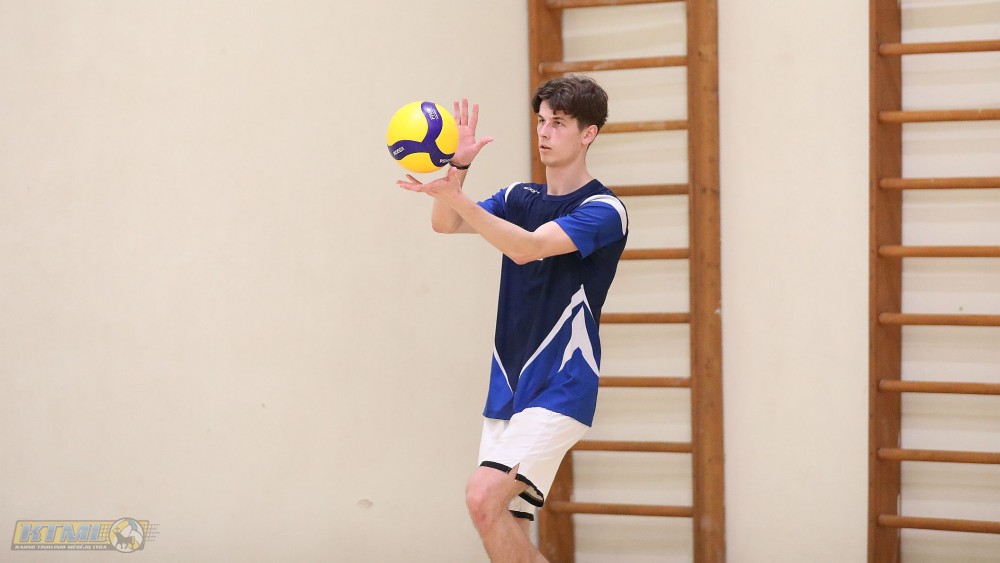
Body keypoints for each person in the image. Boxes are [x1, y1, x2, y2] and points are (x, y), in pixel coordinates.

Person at [397, 75, 627, 562]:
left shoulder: (604, 209)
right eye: (541, 120)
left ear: (588, 133)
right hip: (508, 385)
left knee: (482, 497)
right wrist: (457, 168)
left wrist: (455, 193)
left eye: (559, 123)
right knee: (499, 524)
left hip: (561, 384)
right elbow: (445, 223)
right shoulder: (520, 196)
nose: (544, 131)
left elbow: (528, 248)